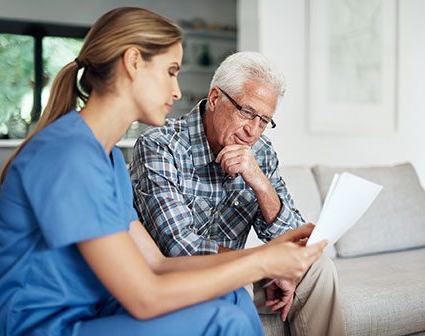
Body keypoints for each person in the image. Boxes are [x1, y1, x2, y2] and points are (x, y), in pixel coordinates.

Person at [0, 8, 328, 336]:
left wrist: (266, 255)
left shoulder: (111, 159)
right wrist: (263, 264)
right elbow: (145, 296)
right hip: (33, 326)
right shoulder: (68, 154)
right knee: (222, 319)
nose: (177, 91)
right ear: (133, 62)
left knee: (233, 297)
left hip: (87, 310)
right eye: (171, 71)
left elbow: (158, 264)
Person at [129, 51, 346, 336]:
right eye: (247, 112)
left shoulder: (261, 152)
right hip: (176, 282)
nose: (253, 131)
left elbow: (297, 239)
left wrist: (260, 182)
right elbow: (178, 247)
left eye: (264, 120)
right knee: (238, 278)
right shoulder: (159, 146)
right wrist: (257, 263)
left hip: (238, 274)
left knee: (319, 268)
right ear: (216, 98)